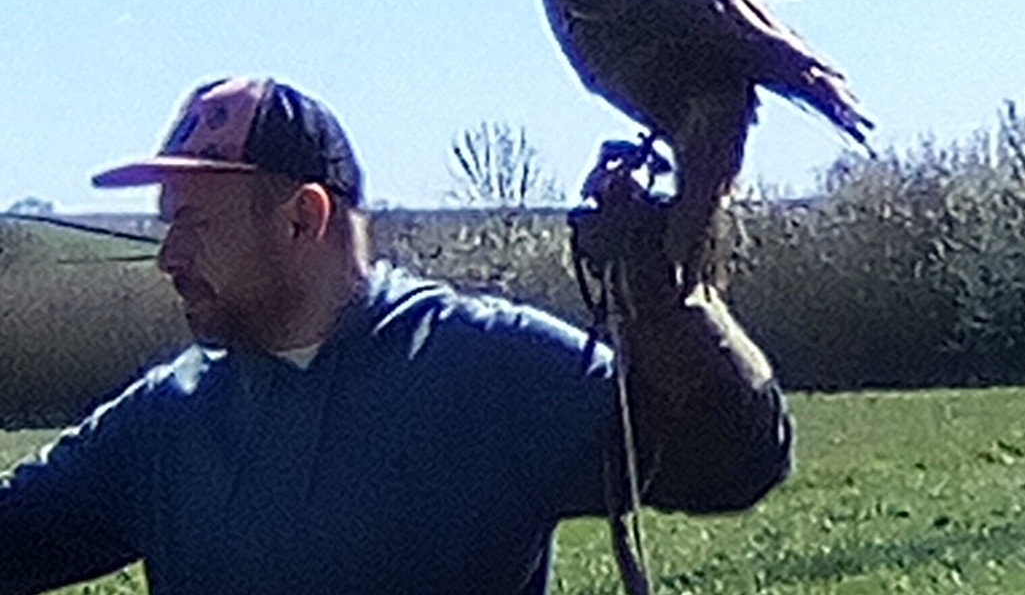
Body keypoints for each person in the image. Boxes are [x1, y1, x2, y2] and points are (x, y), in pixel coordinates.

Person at [0, 77, 792, 594]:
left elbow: (733, 463)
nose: (169, 256)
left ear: (302, 217)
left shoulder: (484, 367)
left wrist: (667, 301)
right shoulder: (165, 423)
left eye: (195, 224)